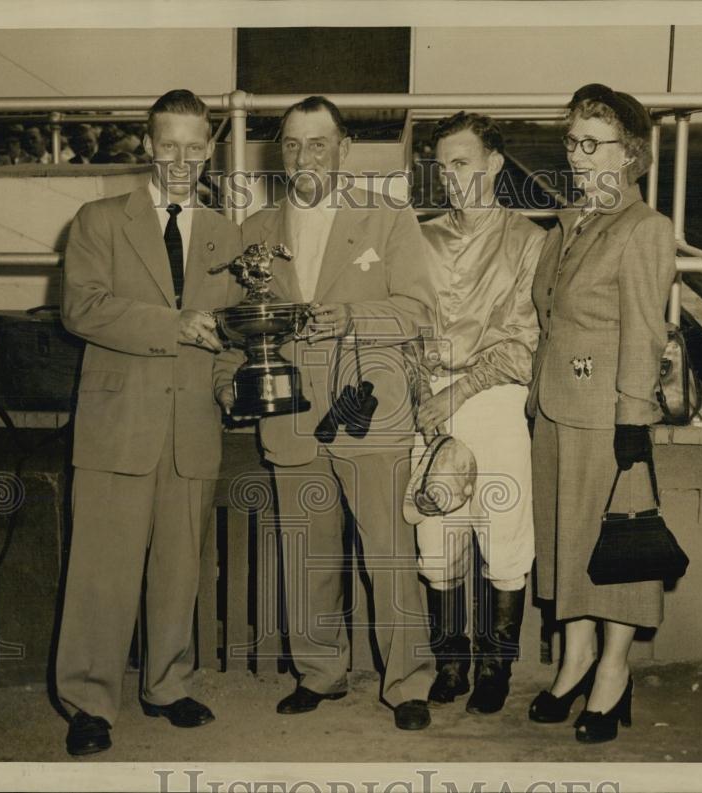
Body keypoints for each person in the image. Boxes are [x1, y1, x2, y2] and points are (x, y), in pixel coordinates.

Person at [215, 95, 438, 731]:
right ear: (277, 153)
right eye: (291, 144)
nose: (304, 156)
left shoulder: (388, 219)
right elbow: (234, 327)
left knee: (389, 555)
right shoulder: (254, 230)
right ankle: (319, 672)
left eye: (318, 144)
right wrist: (228, 382)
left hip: (369, 410)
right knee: (305, 554)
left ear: (343, 150)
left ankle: (407, 683)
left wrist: (351, 318)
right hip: (287, 414)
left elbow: (421, 312)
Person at [55, 88, 243, 756]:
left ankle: (166, 683)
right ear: (148, 143)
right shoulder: (99, 219)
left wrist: (230, 387)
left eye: (196, 146)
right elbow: (82, 307)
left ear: (211, 149)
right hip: (117, 424)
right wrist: (175, 324)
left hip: (192, 424)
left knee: (179, 569)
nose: (182, 159)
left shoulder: (227, 232)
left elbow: (234, 336)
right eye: (170, 145)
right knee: (101, 571)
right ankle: (87, 699)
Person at [526, 84, 676, 743]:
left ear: (631, 155)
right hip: (555, 409)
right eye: (573, 142)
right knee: (566, 540)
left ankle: (612, 672)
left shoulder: (645, 229)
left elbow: (644, 331)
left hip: (607, 416)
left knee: (616, 546)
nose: (579, 156)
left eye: (594, 144)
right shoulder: (569, 223)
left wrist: (633, 423)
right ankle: (574, 657)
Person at [413, 112, 545, 715]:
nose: (450, 176)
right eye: (442, 166)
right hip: (429, 401)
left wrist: (458, 392)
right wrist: (423, 390)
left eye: (461, 163)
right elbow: (404, 323)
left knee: (504, 536)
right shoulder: (421, 236)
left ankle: (496, 667)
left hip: (493, 400)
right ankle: (450, 662)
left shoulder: (528, 239)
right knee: (436, 537)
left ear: (494, 164)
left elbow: (521, 343)